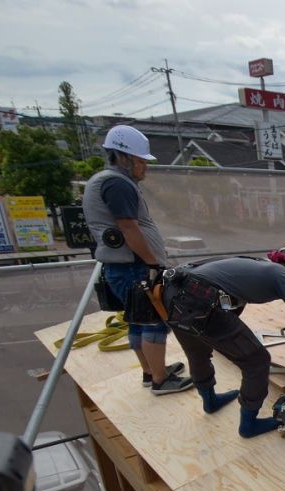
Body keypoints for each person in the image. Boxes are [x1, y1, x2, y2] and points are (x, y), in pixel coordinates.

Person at [161, 244, 285, 438]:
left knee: (197, 351)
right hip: (199, 300)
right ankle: (249, 424)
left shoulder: (254, 265)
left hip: (172, 295)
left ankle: (210, 401)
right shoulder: (284, 276)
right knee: (257, 361)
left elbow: (230, 307)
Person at [82, 124, 192, 395]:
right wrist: (153, 263)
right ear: (123, 157)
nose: (145, 167)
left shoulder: (105, 181)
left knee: (137, 320)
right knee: (154, 319)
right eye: (141, 161)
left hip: (124, 266)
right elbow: (129, 228)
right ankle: (160, 380)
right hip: (134, 266)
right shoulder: (116, 184)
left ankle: (151, 372)